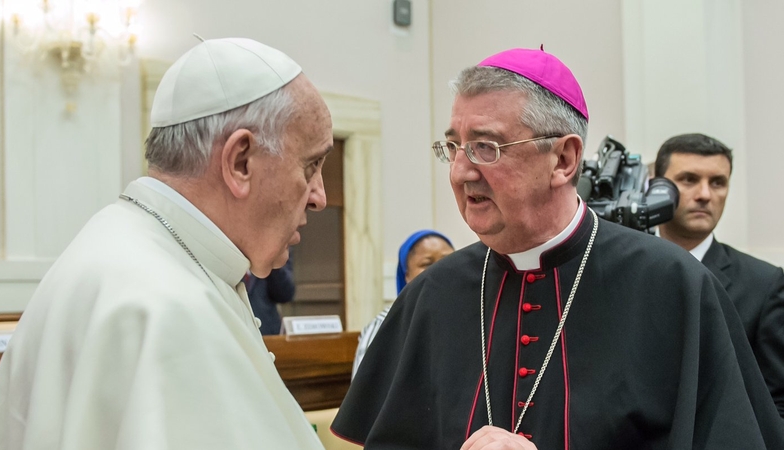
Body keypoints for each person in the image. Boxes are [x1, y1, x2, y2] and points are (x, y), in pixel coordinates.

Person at [331, 47, 784, 449]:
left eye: (486, 147)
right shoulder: (431, 294)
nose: (460, 172)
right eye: (453, 147)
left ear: (564, 160)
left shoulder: (674, 285)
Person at [0, 38, 333, 449]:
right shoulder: (167, 309)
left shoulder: (117, 244)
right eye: (311, 165)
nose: (320, 196)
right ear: (240, 161)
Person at [655, 133, 784, 418]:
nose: (704, 194)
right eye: (689, 179)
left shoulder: (763, 284)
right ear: (658, 186)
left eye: (718, 182)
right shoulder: (620, 267)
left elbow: (777, 404)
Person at [352, 230, 454, 378]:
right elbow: (362, 391)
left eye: (447, 260)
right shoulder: (385, 324)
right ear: (407, 275)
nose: (440, 269)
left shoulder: (472, 316)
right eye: (427, 263)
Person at [245, 248, 296, 335]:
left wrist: (272, 259)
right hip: (233, 332)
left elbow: (285, 295)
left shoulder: (278, 246)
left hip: (268, 333)